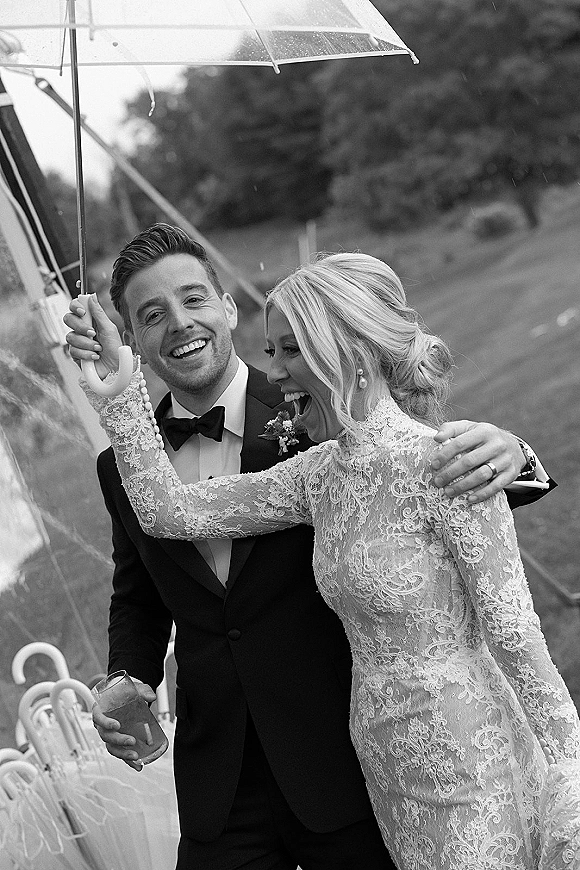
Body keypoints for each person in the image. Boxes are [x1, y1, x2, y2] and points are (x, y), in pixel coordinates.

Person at [65, 226, 555, 870]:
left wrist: (514, 456)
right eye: (152, 315)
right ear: (132, 338)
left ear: (226, 305)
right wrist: (129, 674)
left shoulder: (317, 409)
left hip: (347, 765)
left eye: (193, 299)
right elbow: (140, 584)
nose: (179, 324)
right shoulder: (124, 468)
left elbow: (443, 494)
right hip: (223, 779)